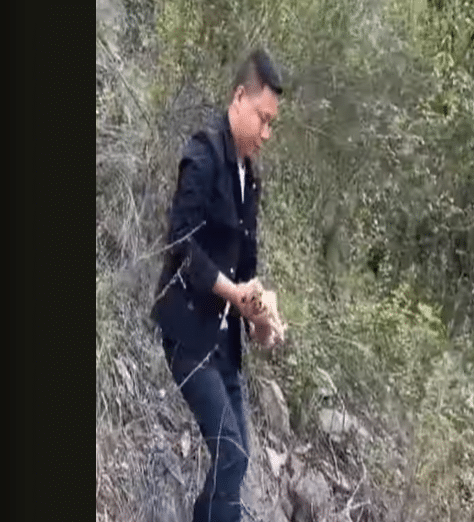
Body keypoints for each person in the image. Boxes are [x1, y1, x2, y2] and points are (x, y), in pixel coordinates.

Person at [151, 49, 286, 521]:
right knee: (229, 453)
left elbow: (247, 269)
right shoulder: (203, 153)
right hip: (187, 335)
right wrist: (233, 294)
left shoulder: (251, 178)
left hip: (223, 345)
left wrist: (263, 322)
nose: (266, 133)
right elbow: (180, 243)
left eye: (272, 124)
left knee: (238, 456)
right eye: (263, 119)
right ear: (238, 98)